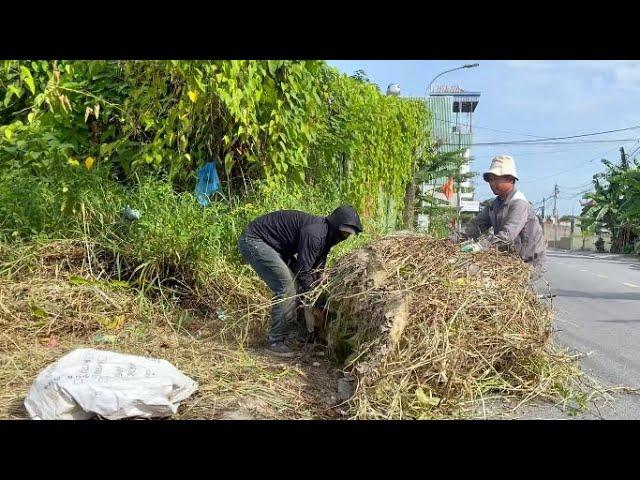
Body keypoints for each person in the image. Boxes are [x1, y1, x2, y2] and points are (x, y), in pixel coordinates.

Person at [238, 205, 362, 357]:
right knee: (288, 286)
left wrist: (319, 292)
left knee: (303, 285)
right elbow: (303, 272)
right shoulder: (316, 234)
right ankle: (275, 341)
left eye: (348, 234)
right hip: (255, 241)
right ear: (335, 225)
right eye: (343, 232)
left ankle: (302, 334)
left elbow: (315, 270)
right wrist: (317, 301)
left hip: (275, 247)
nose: (344, 236)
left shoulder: (326, 238)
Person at [458, 155, 546, 277]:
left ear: (510, 179)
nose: (492, 183)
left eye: (496, 179)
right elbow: (476, 225)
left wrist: (480, 245)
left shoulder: (519, 204)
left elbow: (507, 236)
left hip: (527, 262)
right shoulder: (495, 204)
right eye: (490, 180)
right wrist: (455, 238)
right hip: (509, 258)